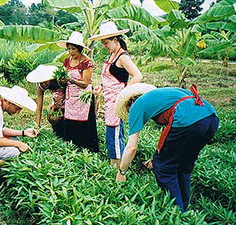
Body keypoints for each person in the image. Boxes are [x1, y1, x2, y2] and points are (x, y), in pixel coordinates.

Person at [114, 83, 219, 212]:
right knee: (183, 166)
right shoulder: (162, 96)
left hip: (188, 121)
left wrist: (122, 172)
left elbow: (131, 147)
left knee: (164, 169)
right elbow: (173, 141)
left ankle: (176, 213)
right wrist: (157, 158)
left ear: (129, 104)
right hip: (211, 118)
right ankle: (185, 210)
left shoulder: (136, 107)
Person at [88, 21, 143, 166]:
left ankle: (118, 167)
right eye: (102, 43)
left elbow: (138, 76)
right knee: (112, 133)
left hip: (116, 101)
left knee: (114, 134)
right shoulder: (113, 55)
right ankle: (117, 164)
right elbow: (112, 78)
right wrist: (101, 87)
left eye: (106, 43)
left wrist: (123, 94)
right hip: (109, 100)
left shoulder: (123, 57)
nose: (104, 46)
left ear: (115, 40)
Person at [56, 31, 99, 153]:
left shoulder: (87, 63)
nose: (71, 52)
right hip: (71, 97)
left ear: (79, 49)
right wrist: (62, 80)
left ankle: (86, 149)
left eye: (73, 49)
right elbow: (63, 77)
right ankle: (71, 148)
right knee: (70, 121)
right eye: (69, 49)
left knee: (84, 124)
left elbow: (85, 83)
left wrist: (71, 80)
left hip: (83, 97)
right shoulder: (66, 61)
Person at [26, 65, 66, 138]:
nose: (44, 84)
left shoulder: (59, 80)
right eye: (41, 82)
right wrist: (37, 125)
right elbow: (39, 105)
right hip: (57, 99)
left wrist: (62, 102)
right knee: (54, 119)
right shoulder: (40, 86)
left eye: (45, 82)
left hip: (67, 99)